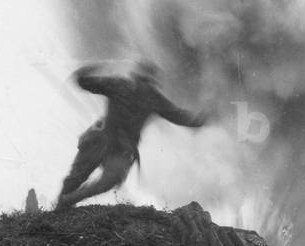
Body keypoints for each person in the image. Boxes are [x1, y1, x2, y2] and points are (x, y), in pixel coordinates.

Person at [55, 60, 210, 209]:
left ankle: (65, 203)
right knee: (86, 180)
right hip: (108, 143)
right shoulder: (137, 91)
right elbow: (180, 116)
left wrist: (92, 68)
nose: (141, 86)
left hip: (112, 145)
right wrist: (200, 120)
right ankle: (64, 204)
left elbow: (82, 81)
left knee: (89, 179)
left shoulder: (131, 89)